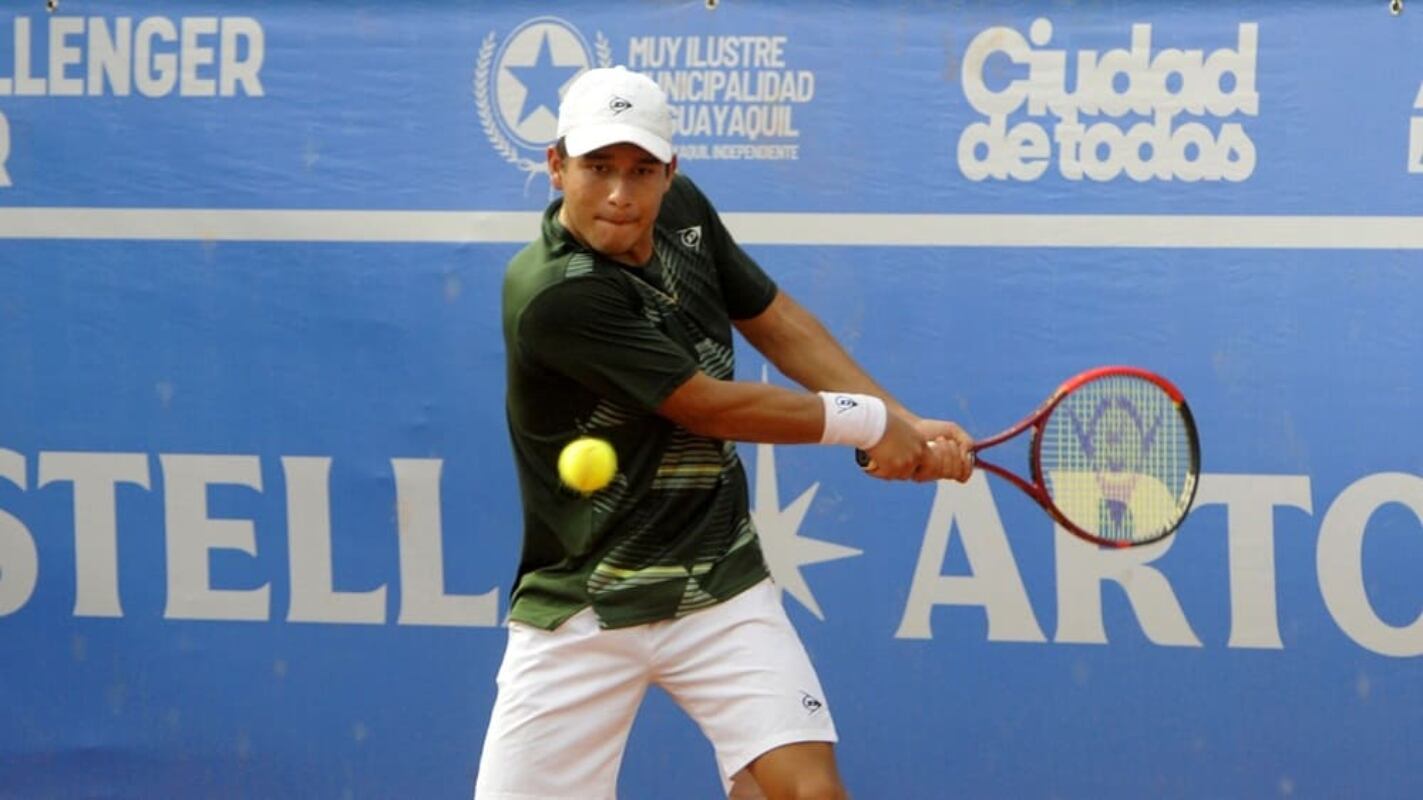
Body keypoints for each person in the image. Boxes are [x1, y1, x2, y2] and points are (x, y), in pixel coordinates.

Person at [475, 66, 973, 800]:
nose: (620, 192)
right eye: (597, 168)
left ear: (670, 171)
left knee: (805, 793)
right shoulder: (554, 293)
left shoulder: (681, 212)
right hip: (585, 599)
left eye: (642, 170)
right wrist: (870, 424)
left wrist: (897, 418)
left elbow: (771, 317)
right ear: (556, 165)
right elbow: (707, 407)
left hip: (717, 580)